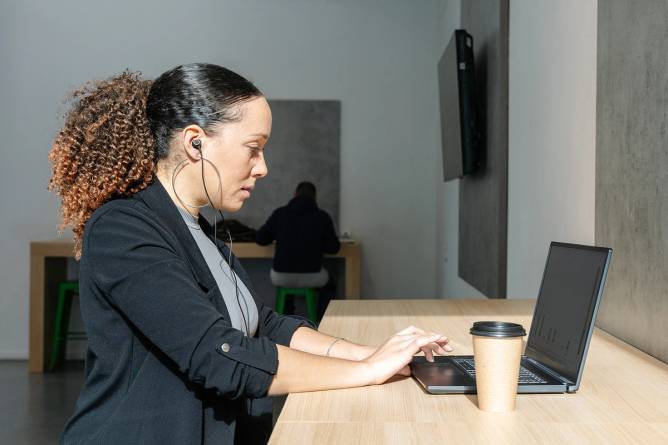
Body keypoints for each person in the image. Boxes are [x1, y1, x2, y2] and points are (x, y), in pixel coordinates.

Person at [48, 63, 453, 445]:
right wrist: (365, 372)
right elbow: (219, 355)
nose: (263, 168)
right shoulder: (122, 228)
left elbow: (265, 325)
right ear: (195, 142)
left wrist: (372, 354)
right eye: (253, 148)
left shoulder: (200, 231)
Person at [256, 181, 339, 318]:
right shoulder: (322, 217)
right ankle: (321, 321)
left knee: (288, 273)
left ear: (294, 195)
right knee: (330, 284)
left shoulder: (280, 213)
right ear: (314, 198)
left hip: (281, 276)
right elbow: (334, 248)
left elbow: (260, 239)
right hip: (312, 275)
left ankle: (286, 318)